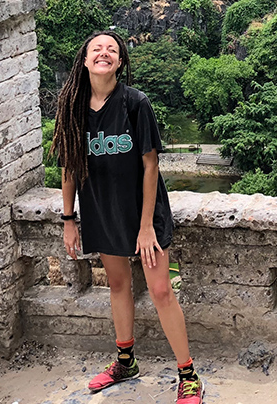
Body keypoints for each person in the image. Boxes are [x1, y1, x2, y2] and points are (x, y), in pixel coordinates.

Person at [50, 31, 203, 403]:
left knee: (161, 290)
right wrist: (69, 219)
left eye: (112, 50)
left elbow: (150, 165)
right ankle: (125, 361)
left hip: (142, 212)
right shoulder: (72, 106)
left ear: (120, 62)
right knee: (117, 286)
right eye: (97, 49)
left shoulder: (135, 103)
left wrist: (147, 226)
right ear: (85, 60)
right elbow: (69, 166)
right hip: (101, 208)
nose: (104, 54)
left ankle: (189, 375)